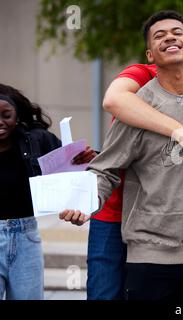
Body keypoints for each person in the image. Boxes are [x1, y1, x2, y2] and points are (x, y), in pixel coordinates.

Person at [60, 10, 183, 300]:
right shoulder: (136, 103)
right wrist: (83, 201)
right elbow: (105, 168)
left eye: (177, 33)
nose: (170, 38)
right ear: (150, 55)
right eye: (159, 36)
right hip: (147, 248)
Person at [0, 83, 95, 300]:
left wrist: (87, 157)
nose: (1, 122)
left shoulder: (35, 140)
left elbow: (71, 164)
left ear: (17, 115)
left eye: (6, 115)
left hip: (26, 237)